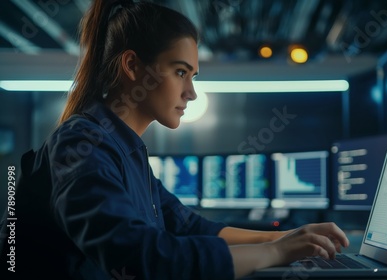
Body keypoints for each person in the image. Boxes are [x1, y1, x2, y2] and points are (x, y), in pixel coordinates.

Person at [0, 0, 349, 279]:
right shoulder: (81, 143)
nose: (191, 93)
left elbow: (187, 226)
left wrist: (286, 238)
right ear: (133, 66)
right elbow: (140, 258)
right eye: (181, 72)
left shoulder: (127, 149)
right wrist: (275, 253)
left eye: (192, 75)